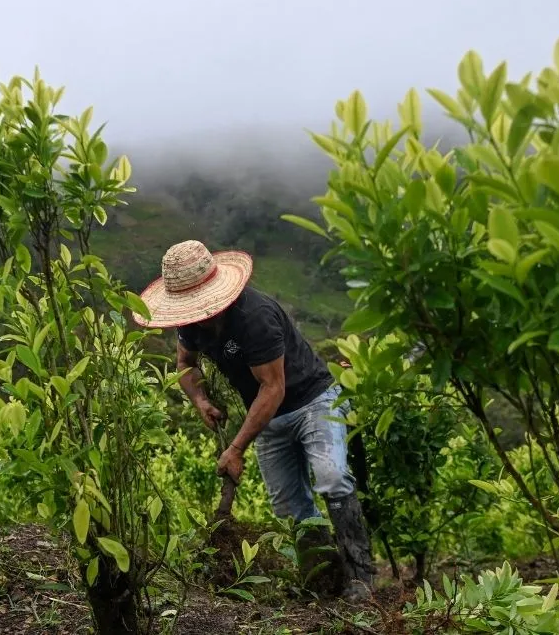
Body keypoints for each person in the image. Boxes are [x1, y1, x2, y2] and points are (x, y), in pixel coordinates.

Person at [132, 240, 376, 602]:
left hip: (312, 401)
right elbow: (185, 364)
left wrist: (235, 448)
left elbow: (273, 389)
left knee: (332, 476)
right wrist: (200, 399)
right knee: (289, 507)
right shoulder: (192, 326)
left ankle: (361, 577)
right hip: (267, 418)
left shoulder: (254, 316)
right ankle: (323, 580)